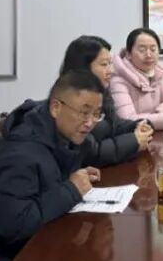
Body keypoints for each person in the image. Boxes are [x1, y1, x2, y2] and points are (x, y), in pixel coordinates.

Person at [0, 70, 104, 261]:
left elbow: (45, 184)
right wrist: (71, 189)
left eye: (97, 114)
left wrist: (73, 179)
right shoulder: (21, 154)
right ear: (55, 108)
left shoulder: (58, 138)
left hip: (36, 248)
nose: (90, 123)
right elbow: (14, 226)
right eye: (84, 113)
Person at [60, 35, 153, 167]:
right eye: (104, 64)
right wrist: (134, 141)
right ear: (83, 68)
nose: (111, 71)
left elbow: (114, 124)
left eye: (110, 63)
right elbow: (89, 153)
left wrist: (138, 125)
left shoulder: (101, 92)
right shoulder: (70, 102)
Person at [109, 27, 163, 131]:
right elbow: (128, 119)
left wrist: (160, 112)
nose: (149, 55)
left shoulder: (153, 76)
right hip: (132, 138)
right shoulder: (118, 82)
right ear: (128, 54)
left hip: (151, 134)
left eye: (153, 49)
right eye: (142, 50)